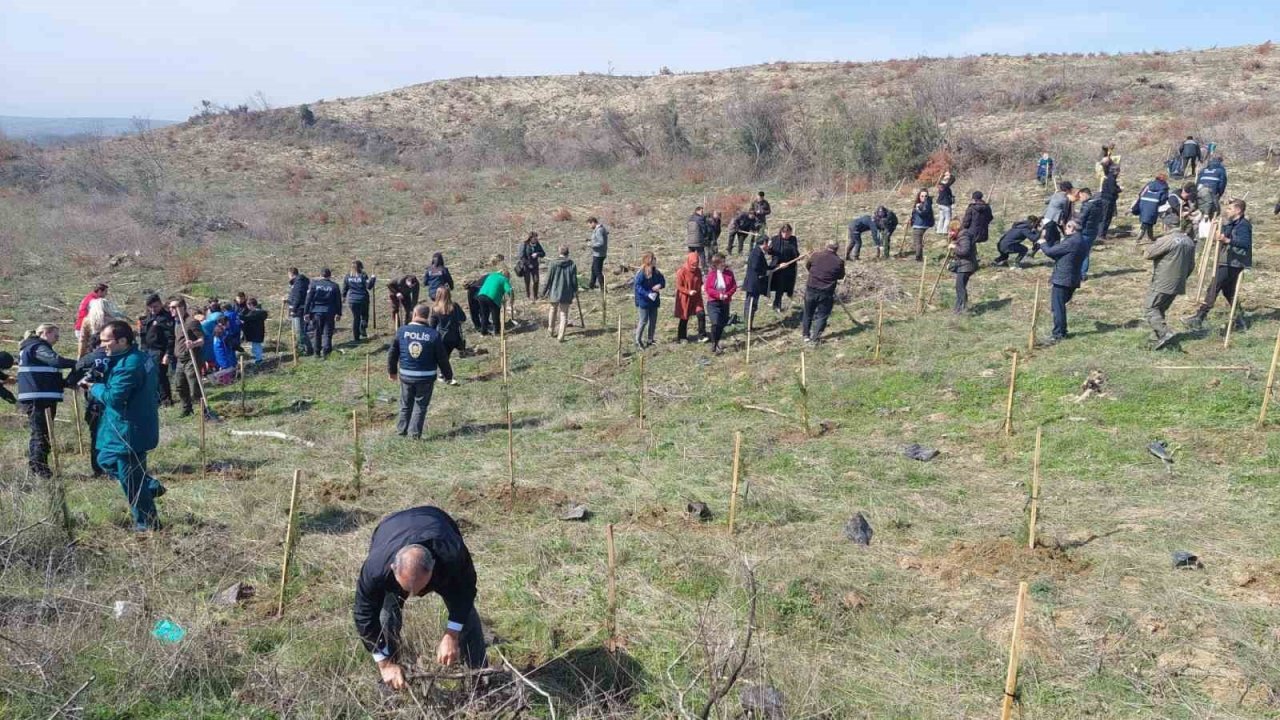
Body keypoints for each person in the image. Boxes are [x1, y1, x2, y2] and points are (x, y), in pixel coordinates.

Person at [353, 506, 486, 690]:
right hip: (389, 528)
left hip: (436, 521)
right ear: (393, 568)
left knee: (466, 615)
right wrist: (383, 663)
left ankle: (479, 676)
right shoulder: (376, 569)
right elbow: (364, 614)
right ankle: (392, 678)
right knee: (387, 613)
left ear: (433, 567)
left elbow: (466, 591)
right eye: (407, 589)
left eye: (420, 588)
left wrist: (452, 634)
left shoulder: (451, 554)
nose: (413, 595)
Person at [85, 320, 164, 532]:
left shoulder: (130, 365)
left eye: (106, 341)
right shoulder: (136, 358)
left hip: (129, 431)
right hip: (126, 426)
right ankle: (151, 486)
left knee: (133, 484)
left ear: (122, 340)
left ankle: (147, 525)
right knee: (105, 459)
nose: (103, 345)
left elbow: (114, 398)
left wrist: (95, 388)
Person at [17, 324, 76, 478]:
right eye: (55, 336)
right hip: (39, 397)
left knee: (40, 433)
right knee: (41, 435)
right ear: (45, 333)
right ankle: (40, 470)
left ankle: (37, 467)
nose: (57, 340)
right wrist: (78, 363)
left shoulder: (30, 347)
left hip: (39, 396)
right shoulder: (38, 347)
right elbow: (56, 361)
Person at [1184, 198, 1252, 331]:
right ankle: (1239, 320)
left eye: (1230, 209)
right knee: (1229, 292)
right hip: (1227, 261)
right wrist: (1218, 227)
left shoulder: (1243, 225)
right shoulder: (1233, 223)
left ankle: (1199, 317)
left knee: (1213, 288)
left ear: (1238, 210)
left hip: (1233, 262)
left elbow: (1245, 243)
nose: (1227, 211)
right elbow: (1226, 231)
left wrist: (1227, 240)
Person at [388, 303, 447, 438]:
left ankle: (401, 431)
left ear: (414, 315)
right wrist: (448, 375)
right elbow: (442, 358)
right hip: (426, 377)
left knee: (405, 404)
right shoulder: (434, 335)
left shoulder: (402, 331)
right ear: (427, 317)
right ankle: (414, 435)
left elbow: (392, 353)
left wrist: (392, 372)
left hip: (406, 375)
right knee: (420, 406)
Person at [1144, 210, 1196, 349]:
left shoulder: (1167, 239)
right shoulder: (1189, 241)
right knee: (1160, 308)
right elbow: (1192, 265)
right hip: (1179, 282)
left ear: (1165, 226)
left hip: (1163, 280)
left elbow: (1148, 254)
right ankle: (1156, 338)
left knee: (1151, 308)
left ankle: (1165, 333)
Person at [1038, 219, 1089, 344]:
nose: (1065, 228)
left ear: (1073, 228)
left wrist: (1043, 242)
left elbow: (1050, 251)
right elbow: (1060, 254)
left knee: (1058, 308)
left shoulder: (1071, 242)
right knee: (1059, 307)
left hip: (1063, 279)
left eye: (1067, 226)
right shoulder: (1081, 240)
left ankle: (1058, 334)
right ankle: (1062, 331)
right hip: (1072, 277)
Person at [170, 298, 210, 419]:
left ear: (181, 307)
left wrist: (193, 344)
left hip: (191, 359)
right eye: (170, 307)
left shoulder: (191, 322)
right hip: (180, 360)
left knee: (194, 387)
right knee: (180, 385)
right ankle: (187, 409)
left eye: (174, 307)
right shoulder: (177, 323)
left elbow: (202, 340)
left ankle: (205, 411)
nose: (171, 310)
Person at [802, 241, 845, 345]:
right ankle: (815, 338)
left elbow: (808, 266)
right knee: (822, 315)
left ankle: (806, 335)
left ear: (826, 246)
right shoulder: (839, 261)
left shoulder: (815, 255)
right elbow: (841, 276)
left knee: (808, 313)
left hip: (811, 288)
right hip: (826, 292)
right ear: (836, 249)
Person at [139, 294, 175, 405]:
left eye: (155, 306)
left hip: (159, 351)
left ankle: (166, 400)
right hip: (147, 351)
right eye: (150, 307)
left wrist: (168, 353)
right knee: (151, 376)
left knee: (161, 376)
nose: (153, 309)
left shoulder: (165, 318)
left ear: (160, 304)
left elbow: (170, 338)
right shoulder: (149, 317)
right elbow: (144, 336)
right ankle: (156, 398)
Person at [426, 288, 466, 386]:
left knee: (443, 357)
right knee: (446, 356)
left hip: (441, 337)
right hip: (454, 336)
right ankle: (443, 374)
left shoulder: (435, 309)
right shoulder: (455, 306)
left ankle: (443, 375)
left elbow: (432, 325)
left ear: (437, 295)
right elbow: (463, 318)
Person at [541, 245, 578, 342]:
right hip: (566, 292)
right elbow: (574, 280)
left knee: (553, 310)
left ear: (559, 252)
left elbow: (548, 279)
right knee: (564, 314)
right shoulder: (572, 264)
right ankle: (561, 336)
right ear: (567, 253)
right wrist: (575, 290)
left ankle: (551, 330)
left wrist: (543, 292)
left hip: (555, 291)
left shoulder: (553, 264)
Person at [702, 253, 737, 355]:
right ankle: (714, 342)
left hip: (725, 302)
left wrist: (727, 294)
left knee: (722, 323)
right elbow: (708, 288)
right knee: (715, 322)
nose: (723, 263)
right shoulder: (712, 274)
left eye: (724, 261)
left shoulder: (729, 273)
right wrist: (718, 295)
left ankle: (717, 341)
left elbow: (734, 286)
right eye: (721, 262)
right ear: (716, 264)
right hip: (713, 302)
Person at [305, 268, 343, 358]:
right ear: (330, 276)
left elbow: (308, 299)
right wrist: (339, 313)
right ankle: (327, 352)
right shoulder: (334, 286)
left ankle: (317, 352)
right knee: (328, 333)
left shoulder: (314, 285)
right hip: (329, 311)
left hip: (316, 312)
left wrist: (306, 312)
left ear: (320, 275)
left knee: (317, 332)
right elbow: (338, 301)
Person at [632, 252, 665, 349]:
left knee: (653, 320)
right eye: (653, 259)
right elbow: (637, 287)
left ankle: (650, 339)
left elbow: (662, 281)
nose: (655, 261)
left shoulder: (656, 272)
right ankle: (638, 341)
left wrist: (660, 285)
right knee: (643, 321)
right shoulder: (641, 273)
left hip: (654, 300)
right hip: (644, 301)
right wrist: (647, 294)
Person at [673, 250, 707, 343]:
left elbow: (700, 281)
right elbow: (679, 286)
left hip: (696, 297)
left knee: (701, 314)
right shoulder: (682, 271)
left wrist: (703, 286)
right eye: (693, 265)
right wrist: (688, 291)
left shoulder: (698, 271)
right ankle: (681, 337)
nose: (694, 267)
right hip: (685, 298)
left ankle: (702, 335)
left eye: (696, 265)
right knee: (684, 317)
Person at [766, 224, 800, 312]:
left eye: (788, 232)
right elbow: (770, 252)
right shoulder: (775, 239)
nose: (786, 234)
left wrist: (798, 257)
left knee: (788, 286)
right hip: (778, 268)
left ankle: (789, 297)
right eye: (784, 232)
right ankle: (777, 305)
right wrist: (769, 249)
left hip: (790, 267)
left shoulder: (793, 239)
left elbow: (795, 251)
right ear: (781, 232)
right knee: (779, 287)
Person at [1075, 187, 1106, 279]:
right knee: (1086, 252)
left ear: (1085, 194)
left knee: (1082, 253)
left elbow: (1081, 219)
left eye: (1080, 197)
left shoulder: (1087, 206)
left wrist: (1074, 218)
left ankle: (1081, 273)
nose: (1080, 199)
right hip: (1093, 231)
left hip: (1084, 231)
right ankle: (1082, 273)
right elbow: (1101, 219)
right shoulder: (1099, 204)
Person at [475, 262, 512, 336]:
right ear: (507, 276)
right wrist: (511, 300)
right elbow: (510, 291)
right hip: (492, 297)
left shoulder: (492, 275)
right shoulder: (504, 279)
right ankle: (497, 332)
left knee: (484, 314)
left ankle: (483, 332)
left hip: (481, 295)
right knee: (495, 314)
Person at [343, 260, 376, 343]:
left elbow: (345, 288)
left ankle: (356, 337)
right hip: (363, 299)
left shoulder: (347, 276)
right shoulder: (363, 275)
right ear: (361, 267)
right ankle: (363, 328)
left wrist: (343, 297)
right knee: (364, 315)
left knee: (356, 318)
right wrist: (373, 278)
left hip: (352, 300)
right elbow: (369, 286)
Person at [1131, 173, 1169, 244]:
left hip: (1144, 202)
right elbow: (1163, 199)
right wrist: (1159, 203)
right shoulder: (1164, 187)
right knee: (1148, 220)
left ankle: (1150, 236)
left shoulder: (1149, 184)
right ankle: (1141, 235)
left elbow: (1141, 193)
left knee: (1147, 219)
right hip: (1154, 203)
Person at [742, 235, 770, 326]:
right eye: (768, 243)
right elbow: (755, 266)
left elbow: (763, 266)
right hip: (753, 284)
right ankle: (747, 327)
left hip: (755, 284)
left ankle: (749, 325)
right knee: (750, 306)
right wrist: (765, 272)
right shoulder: (756, 252)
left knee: (753, 305)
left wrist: (777, 267)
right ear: (764, 243)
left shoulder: (759, 252)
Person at [286, 268, 314, 356]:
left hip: (298, 310)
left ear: (291, 274)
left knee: (300, 331)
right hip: (297, 308)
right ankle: (301, 348)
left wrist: (293, 309)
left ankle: (307, 349)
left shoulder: (299, 282)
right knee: (298, 331)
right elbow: (294, 295)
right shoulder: (298, 282)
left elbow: (298, 297)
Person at [949, 230, 978, 314]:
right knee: (959, 287)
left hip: (966, 266)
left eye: (951, 231)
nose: (950, 233)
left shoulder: (964, 237)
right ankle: (958, 307)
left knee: (960, 287)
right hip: (964, 265)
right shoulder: (961, 237)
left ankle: (963, 308)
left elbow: (965, 251)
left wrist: (954, 247)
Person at [1041, 180, 1074, 249]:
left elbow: (1046, 201)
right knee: (1051, 235)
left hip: (1047, 216)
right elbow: (1065, 211)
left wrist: (1054, 194)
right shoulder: (1065, 199)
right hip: (1054, 218)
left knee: (1054, 235)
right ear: (1067, 190)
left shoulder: (1056, 195)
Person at [1196, 155, 1228, 219]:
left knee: (1202, 206)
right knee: (1214, 209)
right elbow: (1222, 183)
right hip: (1212, 189)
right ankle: (1210, 220)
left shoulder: (1204, 170)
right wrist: (1219, 193)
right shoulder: (1221, 171)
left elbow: (1198, 181)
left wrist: (1196, 191)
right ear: (1220, 162)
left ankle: (1202, 218)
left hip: (1200, 189)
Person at [516, 232, 546, 300]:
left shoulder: (537, 244)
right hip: (526, 266)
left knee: (536, 280)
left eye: (536, 238)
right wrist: (528, 264)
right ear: (530, 238)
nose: (536, 239)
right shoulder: (524, 244)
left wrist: (537, 254)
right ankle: (528, 296)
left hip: (535, 265)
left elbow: (543, 253)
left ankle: (535, 296)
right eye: (534, 238)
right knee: (527, 281)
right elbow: (521, 256)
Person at [240, 298, 268, 364]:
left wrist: (239, 316)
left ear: (251, 305)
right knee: (255, 347)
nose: (247, 307)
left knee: (256, 347)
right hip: (256, 333)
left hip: (256, 333)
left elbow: (248, 318)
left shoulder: (257, 313)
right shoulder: (256, 312)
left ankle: (259, 359)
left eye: (248, 305)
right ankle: (258, 358)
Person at [1099, 161, 1122, 241]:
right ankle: (1101, 235)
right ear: (1114, 171)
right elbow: (1113, 190)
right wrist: (1119, 190)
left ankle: (1102, 234)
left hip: (1107, 199)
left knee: (1106, 217)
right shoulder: (1111, 179)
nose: (1118, 173)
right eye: (1118, 171)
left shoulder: (1110, 178)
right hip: (1107, 200)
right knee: (1106, 217)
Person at [910, 189, 934, 262]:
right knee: (918, 243)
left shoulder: (926, 204)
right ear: (919, 196)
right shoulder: (922, 204)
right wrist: (912, 220)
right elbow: (914, 215)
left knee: (917, 243)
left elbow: (923, 214)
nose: (924, 197)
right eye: (922, 196)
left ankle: (918, 258)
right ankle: (920, 257)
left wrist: (917, 209)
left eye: (926, 196)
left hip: (920, 226)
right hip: (918, 224)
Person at [587, 216, 609, 290]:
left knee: (597, 271)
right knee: (593, 269)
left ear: (593, 222)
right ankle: (591, 285)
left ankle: (603, 288)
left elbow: (601, 242)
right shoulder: (600, 229)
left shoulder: (599, 230)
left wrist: (591, 244)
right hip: (598, 253)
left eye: (589, 224)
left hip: (599, 254)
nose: (589, 226)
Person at [934, 170, 955, 234]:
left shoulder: (940, 184)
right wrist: (949, 176)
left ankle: (938, 230)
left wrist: (945, 175)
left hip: (940, 204)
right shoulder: (945, 185)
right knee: (948, 218)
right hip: (945, 204)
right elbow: (953, 180)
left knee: (941, 217)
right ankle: (945, 231)